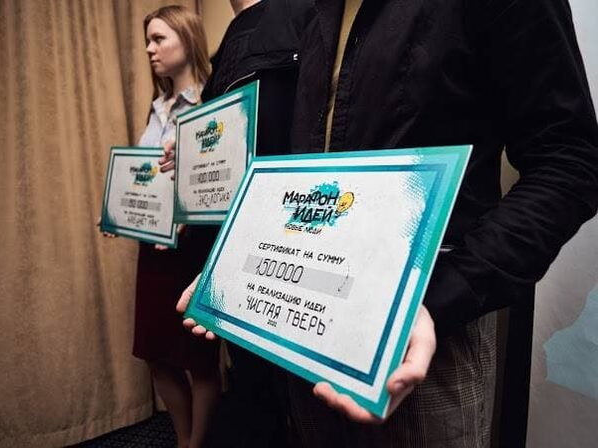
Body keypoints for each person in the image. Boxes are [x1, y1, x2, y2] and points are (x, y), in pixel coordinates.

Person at [180, 0, 598, 447]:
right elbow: (312, 171)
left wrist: (439, 299)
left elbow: (569, 161)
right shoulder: (316, 12)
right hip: (311, 332)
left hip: (427, 338)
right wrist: (243, 257)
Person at [159, 1, 314, 446]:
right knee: (257, 393)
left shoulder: (302, 17)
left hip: (286, 244)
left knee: (294, 402)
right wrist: (192, 152)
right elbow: (231, 140)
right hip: (237, 248)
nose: (151, 49)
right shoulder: (231, 41)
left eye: (159, 38)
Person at [128, 6, 219, 448]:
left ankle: (196, 444)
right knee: (155, 353)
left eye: (159, 38)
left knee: (197, 359)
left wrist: (187, 218)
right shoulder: (157, 107)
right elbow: (144, 177)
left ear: (187, 38)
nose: (150, 49)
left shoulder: (212, 102)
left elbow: (218, 180)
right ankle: (183, 440)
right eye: (148, 40)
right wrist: (120, 212)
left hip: (193, 249)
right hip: (153, 248)